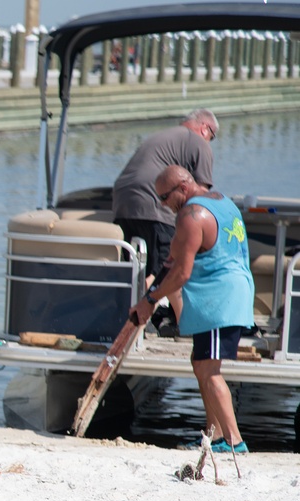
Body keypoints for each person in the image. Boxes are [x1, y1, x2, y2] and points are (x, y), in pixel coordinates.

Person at [129, 165, 254, 454]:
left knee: (209, 370)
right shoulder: (221, 200)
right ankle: (213, 437)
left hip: (218, 298)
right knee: (201, 365)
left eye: (164, 197)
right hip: (231, 291)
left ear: (182, 188)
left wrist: (149, 302)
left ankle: (234, 441)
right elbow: (174, 260)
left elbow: (181, 274)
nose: (163, 204)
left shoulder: (190, 214)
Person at [113, 108, 220, 336]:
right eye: (212, 137)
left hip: (123, 200)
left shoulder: (165, 136)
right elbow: (201, 197)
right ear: (205, 128)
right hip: (153, 198)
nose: (210, 142)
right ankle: (178, 325)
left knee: (137, 266)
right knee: (165, 267)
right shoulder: (199, 143)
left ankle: (150, 321)